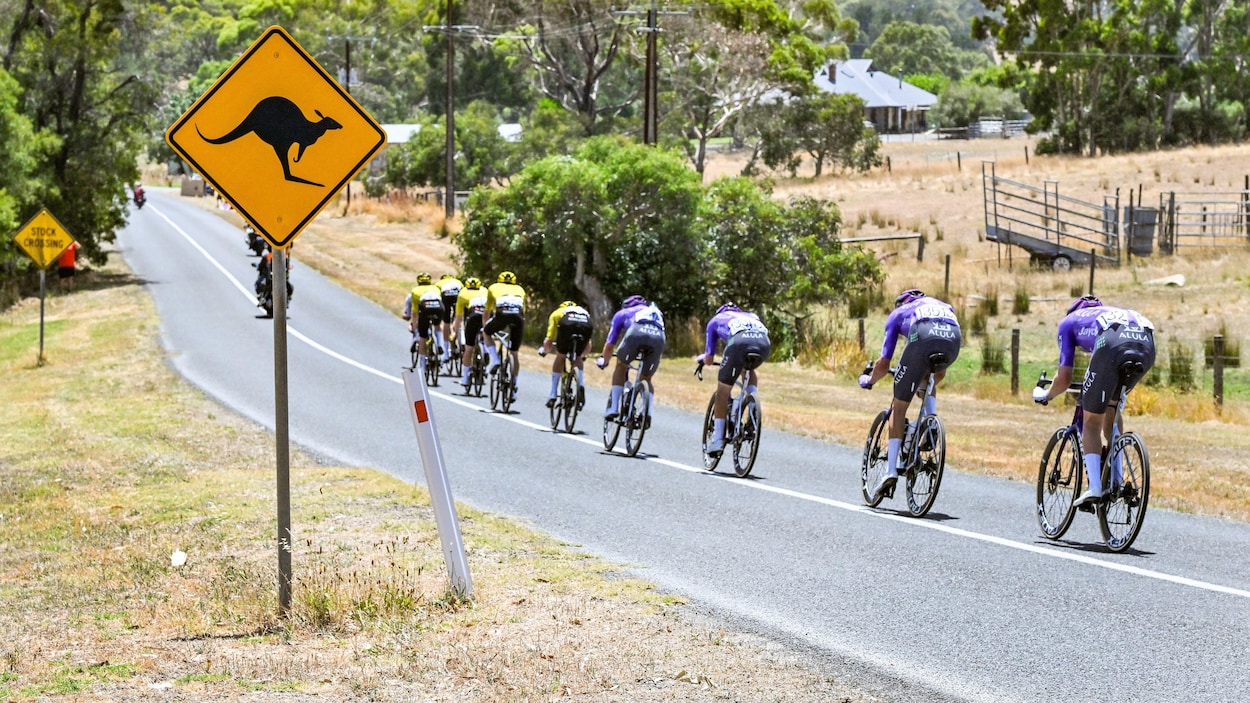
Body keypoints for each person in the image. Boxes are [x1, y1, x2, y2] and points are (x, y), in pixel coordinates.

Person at [1033, 295, 1156, 508]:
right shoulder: (1105, 313)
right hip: (1146, 344)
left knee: (1091, 422)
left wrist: (1046, 395)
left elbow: (1064, 378)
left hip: (1112, 343)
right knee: (1111, 411)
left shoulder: (1068, 322)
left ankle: (1095, 488)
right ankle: (1116, 478)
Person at [859, 289, 962, 500]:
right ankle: (929, 422)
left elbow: (884, 363)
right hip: (953, 338)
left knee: (899, 406)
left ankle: (890, 472)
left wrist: (869, 380)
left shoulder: (898, 313)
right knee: (931, 377)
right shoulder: (942, 305)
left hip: (923, 337)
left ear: (901, 303)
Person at [696, 303, 771, 457]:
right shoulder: (751, 316)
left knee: (722, 392)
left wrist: (702, 359)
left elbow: (709, 359)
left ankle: (718, 440)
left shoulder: (715, 320)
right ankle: (752, 403)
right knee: (748, 369)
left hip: (739, 343)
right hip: (763, 343)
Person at [596, 295, 665, 421]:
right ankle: (647, 413)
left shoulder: (622, 313)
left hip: (636, 334)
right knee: (646, 378)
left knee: (621, 365)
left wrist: (604, 361)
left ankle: (613, 408)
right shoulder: (654, 312)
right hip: (659, 338)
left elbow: (610, 345)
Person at [539, 300, 593, 409]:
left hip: (567, 324)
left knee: (561, 355)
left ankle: (553, 393)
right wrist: (582, 356)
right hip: (586, 323)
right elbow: (588, 345)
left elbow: (549, 339)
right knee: (577, 356)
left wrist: (544, 351)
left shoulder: (557, 313)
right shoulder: (582, 311)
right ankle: (581, 385)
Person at [483, 271, 527, 401]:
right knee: (514, 353)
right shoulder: (520, 289)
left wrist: (485, 326)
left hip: (502, 316)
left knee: (486, 332)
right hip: (518, 318)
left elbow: (487, 312)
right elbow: (523, 312)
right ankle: (514, 386)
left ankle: (495, 360)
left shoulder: (493, 287)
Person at [402, 272, 444, 362]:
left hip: (425, 309)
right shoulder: (436, 288)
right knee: (437, 325)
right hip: (439, 308)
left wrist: (414, 327)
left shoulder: (415, 291)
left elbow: (414, 313)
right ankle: (440, 344)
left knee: (423, 336)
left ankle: (422, 365)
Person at [456, 277, 487, 389]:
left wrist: (455, 333)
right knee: (486, 336)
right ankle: (485, 351)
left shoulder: (462, 293)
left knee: (469, 347)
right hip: (486, 314)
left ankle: (465, 378)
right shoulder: (485, 291)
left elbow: (458, 317)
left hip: (473, 315)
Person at [438, 274, 463, 363]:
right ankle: (460, 338)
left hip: (445, 297)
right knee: (458, 318)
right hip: (457, 296)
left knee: (446, 322)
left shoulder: (439, 283)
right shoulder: (458, 282)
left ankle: (446, 353)